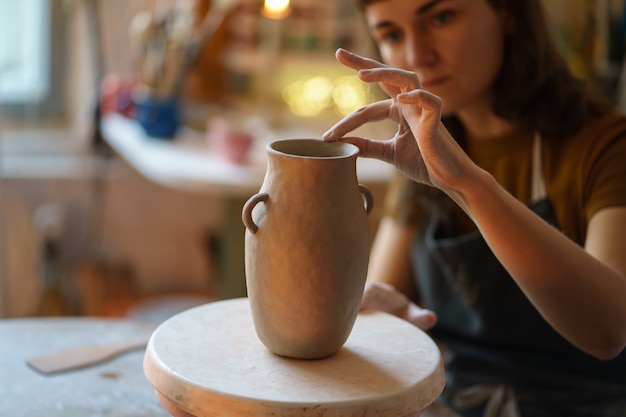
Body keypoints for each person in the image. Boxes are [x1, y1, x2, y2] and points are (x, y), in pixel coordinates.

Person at [322, 0, 626, 416]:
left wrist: (467, 183)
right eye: (392, 34)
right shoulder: (423, 148)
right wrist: (394, 317)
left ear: (509, 13)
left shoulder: (605, 145)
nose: (416, 55)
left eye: (441, 18)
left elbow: (609, 330)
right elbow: (385, 294)